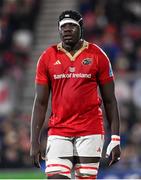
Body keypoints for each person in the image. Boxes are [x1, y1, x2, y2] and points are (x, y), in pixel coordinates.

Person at [30, 10, 121, 179]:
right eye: (63, 26)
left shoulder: (98, 55)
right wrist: (34, 141)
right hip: (58, 131)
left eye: (72, 25)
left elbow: (110, 101)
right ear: (58, 29)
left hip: (90, 130)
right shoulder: (47, 57)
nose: (67, 29)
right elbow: (40, 103)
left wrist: (115, 139)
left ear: (81, 28)